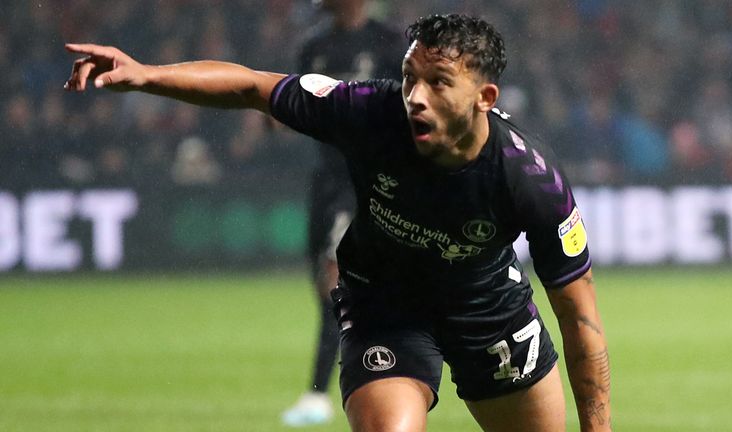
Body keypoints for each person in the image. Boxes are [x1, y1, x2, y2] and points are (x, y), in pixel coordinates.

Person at [64, 13, 612, 431]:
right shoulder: (369, 111)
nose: (416, 98)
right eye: (409, 77)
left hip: (488, 312)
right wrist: (144, 76)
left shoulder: (531, 181)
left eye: (439, 82)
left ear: (485, 98)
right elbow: (253, 87)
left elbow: (580, 315)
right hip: (386, 308)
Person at [282, 0, 403, 426]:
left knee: (335, 283)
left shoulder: (389, 43)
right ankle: (378, 374)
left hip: (366, 180)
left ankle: (320, 394)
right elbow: (290, 109)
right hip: (327, 182)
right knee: (328, 290)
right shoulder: (314, 45)